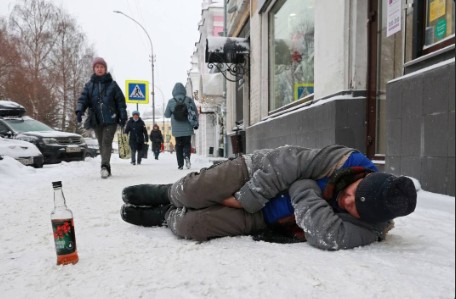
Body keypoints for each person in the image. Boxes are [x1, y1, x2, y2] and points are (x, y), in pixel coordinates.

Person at [119, 145, 417, 251]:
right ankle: (168, 193)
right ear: (362, 178)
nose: (346, 203)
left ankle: (165, 215)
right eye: (352, 195)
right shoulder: (346, 159)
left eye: (353, 209)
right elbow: (287, 162)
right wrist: (247, 198)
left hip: (266, 218)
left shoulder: (372, 228)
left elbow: (326, 234)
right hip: (257, 171)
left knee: (192, 226)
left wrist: (303, 187)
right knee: (197, 192)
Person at [76, 57, 127, 178]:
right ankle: (106, 166)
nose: (99, 69)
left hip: (111, 119)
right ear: (94, 69)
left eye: (102, 67)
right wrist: (79, 110)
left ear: (105, 69)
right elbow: (83, 99)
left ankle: (104, 166)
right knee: (101, 143)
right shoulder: (89, 86)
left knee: (106, 142)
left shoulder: (113, 85)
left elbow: (120, 102)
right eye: (97, 67)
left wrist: (123, 116)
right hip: (96, 119)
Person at [164, 82, 198, 170]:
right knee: (187, 144)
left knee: (178, 146)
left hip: (176, 129)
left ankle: (180, 165)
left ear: (173, 91)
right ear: (184, 90)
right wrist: (195, 123)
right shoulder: (189, 100)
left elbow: (167, 115)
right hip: (187, 128)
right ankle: (186, 156)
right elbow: (195, 112)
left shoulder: (171, 101)